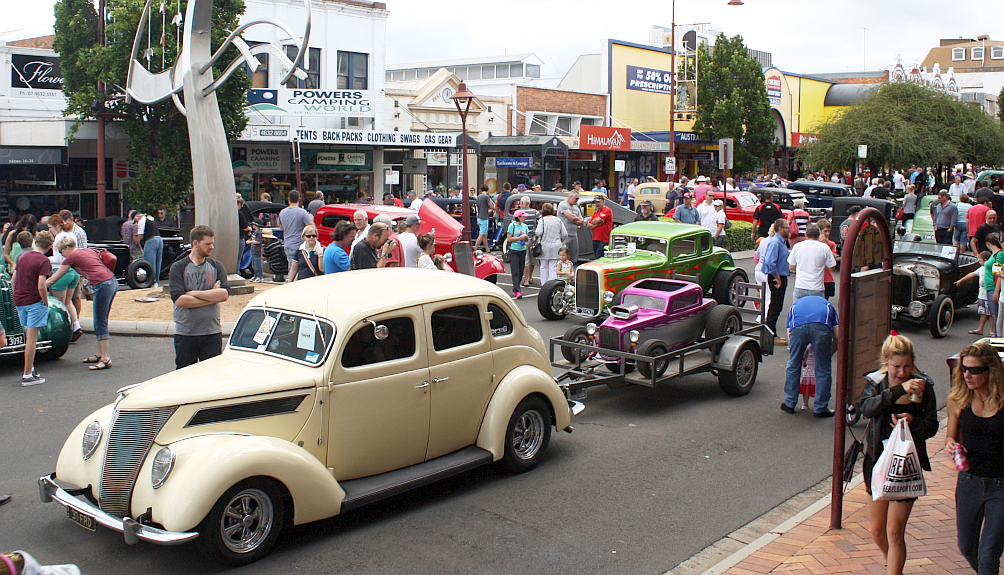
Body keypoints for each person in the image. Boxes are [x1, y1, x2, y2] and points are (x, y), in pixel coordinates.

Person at [857, 333, 938, 575]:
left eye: (907, 366)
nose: (902, 372)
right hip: (877, 462)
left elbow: (932, 425)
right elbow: (866, 409)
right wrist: (897, 390)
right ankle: (892, 560)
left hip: (906, 465)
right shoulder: (876, 383)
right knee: (877, 530)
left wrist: (913, 421)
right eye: (896, 367)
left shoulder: (923, 386)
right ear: (886, 361)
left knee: (895, 531)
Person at [945, 342, 1004, 575]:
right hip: (969, 483)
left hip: (1001, 484)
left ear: (992, 371)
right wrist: (951, 444)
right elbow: (950, 435)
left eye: (975, 370)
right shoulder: (958, 399)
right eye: (964, 369)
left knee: (988, 555)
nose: (968, 374)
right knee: (967, 547)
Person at [48, 235, 118, 371]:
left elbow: (54, 278)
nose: (62, 255)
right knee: (101, 318)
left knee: (100, 320)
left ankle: (106, 357)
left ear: (67, 248)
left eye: (62, 251)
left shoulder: (72, 257)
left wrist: (40, 286)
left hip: (101, 284)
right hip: (111, 281)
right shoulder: (87, 250)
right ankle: (100, 353)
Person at [169, 225, 230, 370]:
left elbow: (224, 294)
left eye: (212, 243)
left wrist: (192, 293)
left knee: (212, 375)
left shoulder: (217, 266)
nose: (212, 247)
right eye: (207, 244)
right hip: (186, 333)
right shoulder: (178, 267)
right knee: (184, 376)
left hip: (212, 333)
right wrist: (211, 296)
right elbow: (179, 300)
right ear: (195, 243)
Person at [780, 295, 838, 417]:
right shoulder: (828, 306)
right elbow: (837, 335)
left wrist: (800, 356)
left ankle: (789, 403)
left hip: (798, 327)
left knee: (793, 365)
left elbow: (790, 333)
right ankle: (820, 408)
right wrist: (828, 354)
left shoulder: (794, 306)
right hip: (821, 326)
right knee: (823, 369)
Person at [12, 231, 53, 385]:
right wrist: (46, 301)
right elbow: (41, 285)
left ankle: (30, 368)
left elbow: (13, 279)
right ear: (50, 246)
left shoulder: (22, 257)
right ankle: (27, 373)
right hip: (34, 300)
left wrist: (16, 295)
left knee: (27, 335)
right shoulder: (44, 261)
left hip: (20, 299)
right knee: (32, 339)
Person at [45, 216, 82, 341]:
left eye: (50, 228)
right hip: (73, 272)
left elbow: (57, 259)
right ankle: (76, 326)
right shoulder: (71, 234)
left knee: (59, 305)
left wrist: (45, 259)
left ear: (56, 226)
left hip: (61, 272)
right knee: (68, 301)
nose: (50, 231)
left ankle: (65, 330)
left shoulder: (59, 237)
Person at [761, 219, 791, 345]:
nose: (789, 229)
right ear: (780, 229)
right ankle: (770, 335)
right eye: (787, 227)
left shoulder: (781, 242)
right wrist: (777, 277)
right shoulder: (775, 242)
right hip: (776, 277)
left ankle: (770, 333)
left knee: (777, 306)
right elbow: (769, 261)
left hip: (780, 276)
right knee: (775, 306)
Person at [788, 224, 837, 301]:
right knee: (816, 311)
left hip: (800, 286)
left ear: (806, 234)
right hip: (817, 288)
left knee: (799, 311)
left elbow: (791, 266)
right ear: (819, 235)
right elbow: (831, 267)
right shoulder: (824, 247)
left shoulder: (797, 246)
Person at [956, 252, 993, 336]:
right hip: (982, 294)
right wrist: (962, 280)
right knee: (983, 312)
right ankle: (980, 329)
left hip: (989, 293)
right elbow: (972, 274)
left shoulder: (991, 268)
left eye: (980, 260)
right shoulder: (981, 269)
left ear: (986, 260)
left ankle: (992, 330)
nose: (979, 262)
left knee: (991, 313)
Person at [278, 190, 313, 268]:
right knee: (300, 267)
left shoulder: (282, 212)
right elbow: (311, 226)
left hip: (287, 243)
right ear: (299, 199)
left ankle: (291, 279)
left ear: (288, 199)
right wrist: (310, 218)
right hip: (299, 244)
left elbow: (281, 227)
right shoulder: (302, 212)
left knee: (291, 265)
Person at [535, 202, 567, 285]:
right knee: (553, 267)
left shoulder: (542, 220)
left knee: (543, 267)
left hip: (544, 246)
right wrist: (559, 240)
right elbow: (565, 234)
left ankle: (544, 285)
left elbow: (538, 232)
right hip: (556, 246)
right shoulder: (558, 220)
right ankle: (552, 285)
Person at [507, 210, 530, 298]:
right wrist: (520, 238)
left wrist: (525, 238)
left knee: (521, 270)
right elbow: (509, 239)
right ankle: (517, 290)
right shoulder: (512, 225)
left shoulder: (525, 226)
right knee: (515, 270)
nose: (525, 218)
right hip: (514, 250)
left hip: (523, 249)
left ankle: (516, 287)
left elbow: (527, 238)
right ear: (518, 217)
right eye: (523, 216)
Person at [518, 196, 540, 287]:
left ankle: (526, 280)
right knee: (532, 259)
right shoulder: (535, 212)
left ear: (522, 203)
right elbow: (540, 223)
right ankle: (530, 277)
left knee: (526, 260)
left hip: (524, 238)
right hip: (534, 239)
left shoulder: (520, 213)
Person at [557, 191, 584, 263]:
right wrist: (575, 219)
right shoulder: (563, 204)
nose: (577, 200)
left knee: (574, 254)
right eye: (576, 198)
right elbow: (571, 217)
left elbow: (582, 221)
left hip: (574, 234)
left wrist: (574, 219)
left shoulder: (576, 207)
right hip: (565, 235)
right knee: (563, 254)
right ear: (571, 197)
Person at [816, 219, 839, 300]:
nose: (827, 234)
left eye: (829, 231)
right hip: (816, 278)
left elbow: (834, 259)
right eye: (825, 231)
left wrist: (826, 246)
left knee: (825, 300)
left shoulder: (831, 244)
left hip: (828, 278)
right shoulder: (814, 243)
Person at [139, 212, 163, 288]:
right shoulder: (151, 217)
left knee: (150, 262)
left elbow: (140, 235)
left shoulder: (142, 220)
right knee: (158, 262)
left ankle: (151, 281)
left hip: (150, 240)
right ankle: (156, 281)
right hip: (159, 239)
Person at [474, 184, 494, 252]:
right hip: (484, 217)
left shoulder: (478, 196)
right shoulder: (486, 197)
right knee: (482, 234)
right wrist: (490, 209)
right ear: (487, 189)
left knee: (485, 234)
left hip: (479, 217)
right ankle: (475, 249)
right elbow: (491, 206)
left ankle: (487, 249)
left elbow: (477, 206)